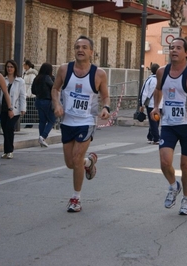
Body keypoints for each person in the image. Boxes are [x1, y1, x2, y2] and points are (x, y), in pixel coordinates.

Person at [150, 37, 187, 215]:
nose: (174, 50)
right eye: (171, 47)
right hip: (168, 123)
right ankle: (173, 185)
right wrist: (156, 106)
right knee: (164, 162)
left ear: (186, 53)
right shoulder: (162, 71)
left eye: (178, 48)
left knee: (185, 165)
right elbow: (158, 89)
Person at [51, 35, 110, 213]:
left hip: (86, 121)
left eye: (84, 47)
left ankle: (76, 198)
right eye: (77, 47)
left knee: (75, 159)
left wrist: (105, 107)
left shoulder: (99, 74)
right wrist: (57, 104)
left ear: (91, 52)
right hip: (67, 121)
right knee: (70, 163)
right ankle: (88, 162)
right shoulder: (64, 70)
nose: (80, 50)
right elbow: (55, 89)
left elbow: (105, 95)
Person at [0, 60, 26, 159]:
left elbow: (22, 96)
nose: (9, 69)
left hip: (15, 109)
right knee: (4, 129)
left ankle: (10, 150)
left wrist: (23, 108)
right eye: (8, 67)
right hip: (3, 108)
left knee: (9, 128)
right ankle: (6, 151)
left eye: (11, 67)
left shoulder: (20, 81)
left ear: (15, 68)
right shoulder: (3, 79)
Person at [31, 63, 56, 148]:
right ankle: (43, 136)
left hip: (38, 100)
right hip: (47, 101)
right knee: (52, 120)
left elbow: (33, 90)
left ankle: (41, 139)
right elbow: (54, 87)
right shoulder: (47, 78)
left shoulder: (36, 78)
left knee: (42, 121)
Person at [140, 63, 161, 144]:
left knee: (153, 122)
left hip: (151, 104)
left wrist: (141, 104)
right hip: (160, 104)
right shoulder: (161, 79)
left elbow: (144, 93)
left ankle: (155, 138)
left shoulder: (149, 80)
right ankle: (151, 136)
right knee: (156, 121)